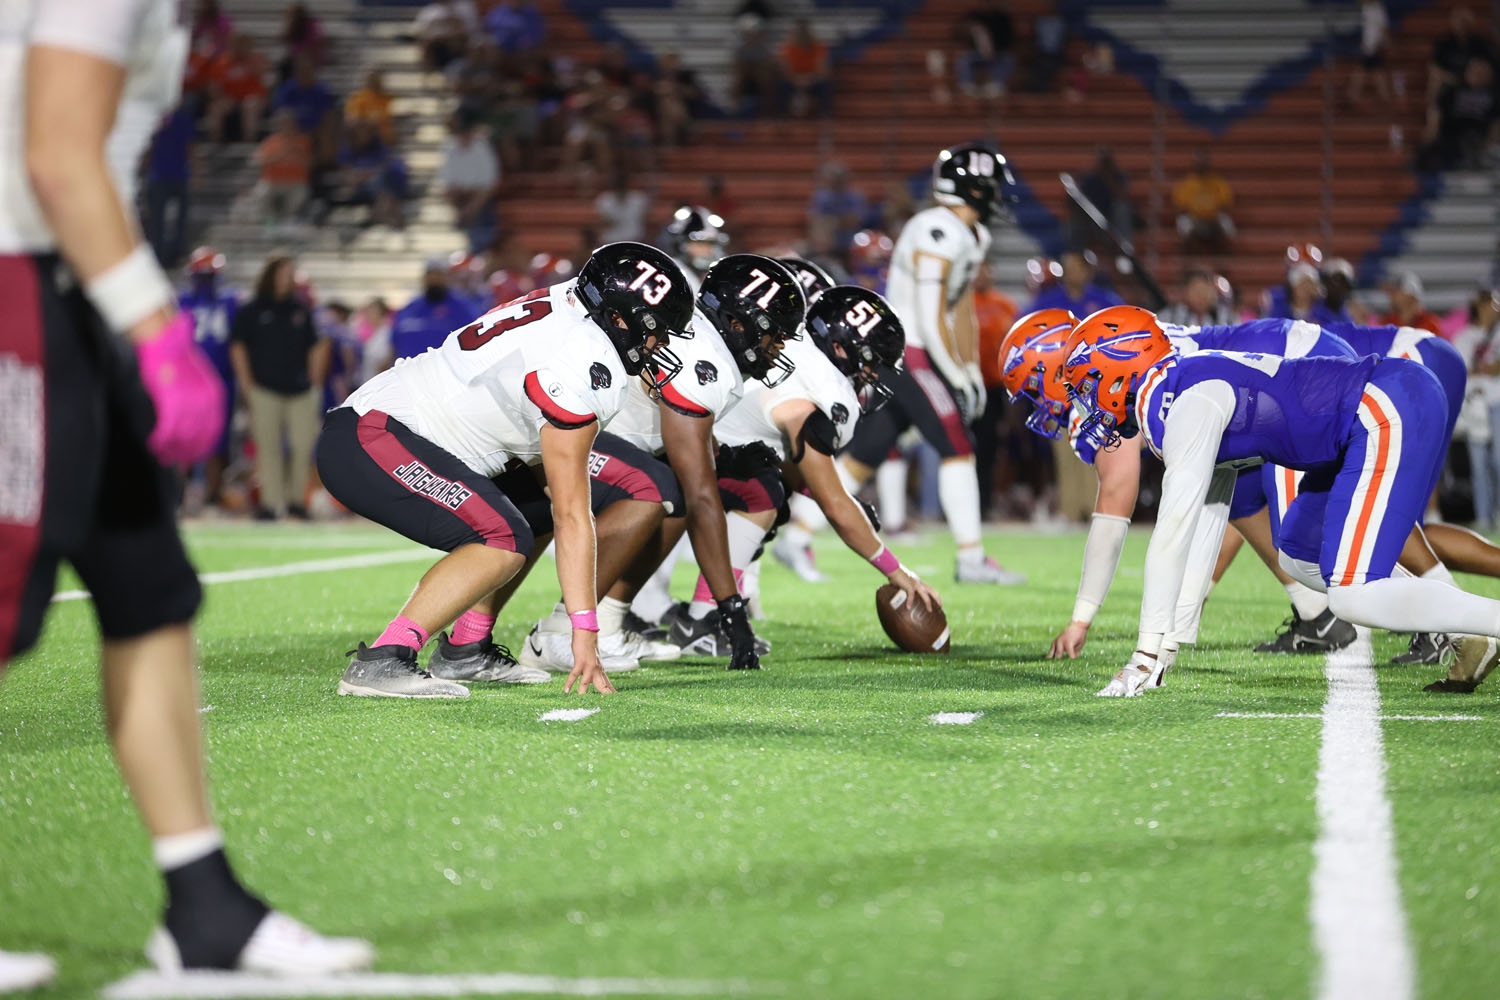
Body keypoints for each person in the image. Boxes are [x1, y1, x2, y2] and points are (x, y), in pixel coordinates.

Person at [0, 0, 371, 989]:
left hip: (66, 284)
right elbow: (57, 156)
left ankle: (204, 903)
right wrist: (155, 327)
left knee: (150, 594)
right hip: (19, 279)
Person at [1060, 306, 1500, 697]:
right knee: (1297, 556)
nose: (1085, 403)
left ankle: (1487, 622)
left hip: (1383, 407)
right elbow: (1213, 510)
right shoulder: (1177, 386)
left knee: (1352, 598)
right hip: (1349, 432)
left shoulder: (1183, 400)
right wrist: (1167, 643)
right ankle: (1466, 633)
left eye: (1088, 383)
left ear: (1119, 367)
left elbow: (1174, 529)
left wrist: (1143, 656)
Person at [316, 243, 693, 698]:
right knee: (502, 537)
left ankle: (466, 647)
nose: (661, 345)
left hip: (398, 429)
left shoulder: (573, 304)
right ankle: (385, 657)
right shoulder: (583, 362)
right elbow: (573, 514)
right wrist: (584, 631)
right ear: (619, 318)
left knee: (529, 512)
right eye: (656, 330)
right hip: (374, 436)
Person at [519, 255, 806, 672]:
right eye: (775, 335)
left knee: (677, 487)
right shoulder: (708, 363)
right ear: (740, 324)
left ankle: (611, 624)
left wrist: (724, 456)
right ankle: (560, 631)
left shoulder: (708, 342)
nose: (778, 347)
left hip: (589, 434)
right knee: (666, 490)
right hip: (555, 433)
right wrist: (731, 608)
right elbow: (702, 496)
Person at [840, 144, 1028, 584]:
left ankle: (799, 532)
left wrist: (967, 366)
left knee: (865, 454)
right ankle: (971, 557)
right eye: (991, 187)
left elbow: (958, 307)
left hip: (917, 349)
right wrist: (956, 372)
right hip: (908, 349)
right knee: (956, 445)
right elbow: (928, 312)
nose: (997, 195)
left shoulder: (972, 235)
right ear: (974, 189)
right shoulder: (936, 229)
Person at [229, 253, 328, 520]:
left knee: (302, 445)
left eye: (290, 273)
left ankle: (297, 500)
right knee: (268, 447)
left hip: (300, 390)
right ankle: (271, 503)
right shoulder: (252, 310)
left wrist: (315, 382)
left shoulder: (300, 310)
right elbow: (238, 347)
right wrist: (246, 383)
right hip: (264, 388)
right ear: (270, 275)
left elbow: (316, 346)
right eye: (283, 272)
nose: (287, 278)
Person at [180, 248, 241, 506]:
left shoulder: (231, 302)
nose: (206, 280)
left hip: (221, 380)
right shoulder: (182, 301)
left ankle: (211, 496)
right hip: (190, 381)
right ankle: (182, 496)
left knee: (218, 442)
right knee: (184, 440)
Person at [1452, 288, 1500, 527]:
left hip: (1497, 401)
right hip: (1474, 403)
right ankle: (1483, 516)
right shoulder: (1464, 336)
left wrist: (1482, 370)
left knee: (1499, 459)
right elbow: (1460, 370)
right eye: (1492, 304)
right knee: (1478, 463)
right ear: (1480, 306)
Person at [389, 259, 483, 362]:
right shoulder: (409, 309)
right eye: (430, 275)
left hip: (445, 373)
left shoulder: (463, 308)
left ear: (446, 277)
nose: (434, 279)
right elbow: (394, 344)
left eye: (438, 275)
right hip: (410, 373)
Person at [439, 106, 501, 253]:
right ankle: (462, 219)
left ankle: (468, 220)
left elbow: (491, 181)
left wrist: (471, 199)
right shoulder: (449, 147)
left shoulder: (482, 146)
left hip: (481, 195)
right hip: (460, 194)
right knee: (449, 192)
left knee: (481, 195)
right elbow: (447, 179)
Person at [1420, 56, 1498, 171]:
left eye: (1481, 72)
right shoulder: (1454, 90)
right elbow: (1436, 108)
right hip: (1451, 136)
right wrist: (1432, 126)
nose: (1477, 75)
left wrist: (1491, 139)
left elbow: (1497, 119)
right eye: (1474, 71)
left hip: (1479, 137)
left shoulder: (1493, 94)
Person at [143, 101, 196, 268]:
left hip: (174, 175)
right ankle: (163, 257)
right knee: (160, 222)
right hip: (162, 176)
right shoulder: (152, 118)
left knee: (174, 221)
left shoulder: (179, 118)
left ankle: (172, 255)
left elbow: (190, 146)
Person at [204, 33, 268, 142]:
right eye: (236, 44)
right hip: (230, 98)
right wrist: (218, 94)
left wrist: (247, 60)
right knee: (216, 108)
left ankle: (249, 141)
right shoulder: (223, 62)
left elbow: (262, 77)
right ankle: (214, 141)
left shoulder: (255, 59)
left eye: (242, 44)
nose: (238, 48)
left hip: (253, 98)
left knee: (250, 105)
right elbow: (214, 86)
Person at [1172, 148, 1235, 253]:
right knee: (1184, 224)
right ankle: (1188, 260)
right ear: (1194, 163)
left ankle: (1223, 261)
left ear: (1209, 162)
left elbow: (1226, 205)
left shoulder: (1218, 182)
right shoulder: (1186, 183)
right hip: (1192, 218)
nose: (1201, 163)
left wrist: (1211, 217)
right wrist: (1197, 218)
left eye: (1204, 160)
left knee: (1226, 225)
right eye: (1198, 160)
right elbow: (1179, 208)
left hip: (1214, 218)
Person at [255, 110, 311, 228]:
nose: (287, 126)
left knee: (300, 193)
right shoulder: (271, 141)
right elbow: (259, 161)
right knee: (261, 193)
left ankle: (289, 221)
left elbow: (309, 163)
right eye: (284, 123)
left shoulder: (302, 141)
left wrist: (297, 156)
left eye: (289, 123)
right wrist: (279, 156)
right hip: (273, 182)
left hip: (295, 182)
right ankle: (270, 223)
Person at [1029, 248, 1123, 317]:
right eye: (1069, 269)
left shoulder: (1105, 299)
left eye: (1077, 269)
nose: (1072, 273)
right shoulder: (1048, 300)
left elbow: (1122, 318)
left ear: (1088, 271)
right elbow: (1026, 318)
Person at [661, 204, 729, 293]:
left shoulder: (721, 273)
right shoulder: (672, 272)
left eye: (710, 244)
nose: (705, 249)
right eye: (699, 244)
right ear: (682, 245)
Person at [808, 161, 866, 259]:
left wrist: (833, 222)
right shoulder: (822, 197)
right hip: (828, 245)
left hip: (850, 243)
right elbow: (816, 220)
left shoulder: (855, 197)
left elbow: (855, 220)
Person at [780, 18, 832, 117]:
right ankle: (783, 115)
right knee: (781, 85)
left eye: (804, 31)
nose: (802, 35)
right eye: (799, 31)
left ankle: (824, 114)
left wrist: (809, 80)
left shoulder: (818, 47)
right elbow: (785, 71)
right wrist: (797, 81)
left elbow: (823, 70)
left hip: (813, 80)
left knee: (825, 85)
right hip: (794, 81)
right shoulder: (788, 48)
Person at [1348, 0, 1391, 106]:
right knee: (1373, 72)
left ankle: (1352, 97)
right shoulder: (1367, 9)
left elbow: (1383, 29)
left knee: (1367, 72)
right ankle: (1353, 97)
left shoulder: (1377, 9)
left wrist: (1381, 44)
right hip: (1368, 48)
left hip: (1373, 47)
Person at [1159, 267, 1234, 327]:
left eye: (1205, 290)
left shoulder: (1227, 317)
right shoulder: (1170, 316)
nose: (1201, 296)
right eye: (1196, 290)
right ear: (1185, 292)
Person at [1380, 271, 1444, 335]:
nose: (1390, 295)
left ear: (1411, 296)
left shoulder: (1430, 324)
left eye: (1397, 290)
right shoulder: (1387, 322)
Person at [595, 169, 650, 243]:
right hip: (610, 242)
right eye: (618, 184)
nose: (620, 186)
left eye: (622, 183)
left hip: (635, 241)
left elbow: (646, 222)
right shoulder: (604, 200)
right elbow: (600, 225)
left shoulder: (639, 199)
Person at [344, 70, 395, 145]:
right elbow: (352, 120)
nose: (375, 83)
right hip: (360, 143)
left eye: (377, 81)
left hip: (384, 142)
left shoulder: (388, 99)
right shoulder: (357, 100)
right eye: (372, 80)